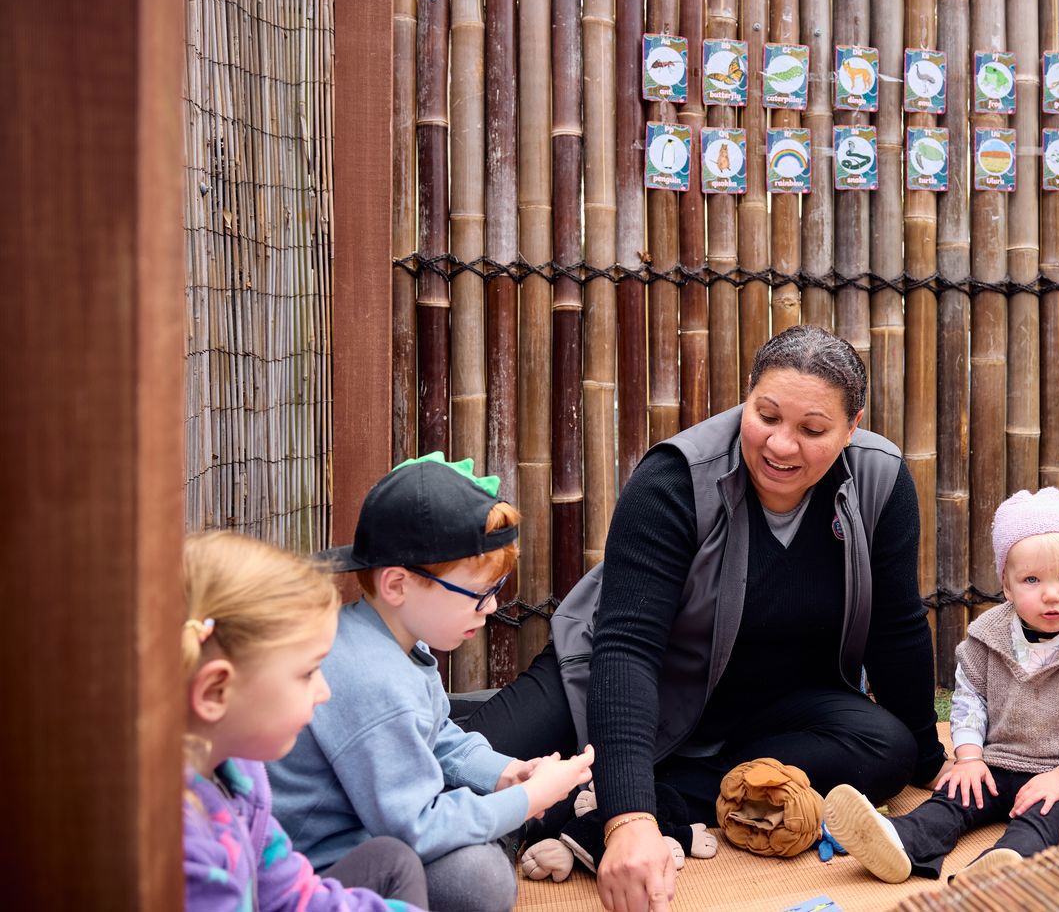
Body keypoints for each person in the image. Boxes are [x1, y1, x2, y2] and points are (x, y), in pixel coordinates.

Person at [463, 324, 944, 912]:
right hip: (614, 677)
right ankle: (622, 793)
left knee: (884, 750)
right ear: (747, 395)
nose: (782, 446)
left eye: (812, 430)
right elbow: (627, 650)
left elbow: (896, 627)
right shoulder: (674, 478)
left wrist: (928, 759)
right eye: (766, 416)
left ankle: (604, 803)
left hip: (767, 708)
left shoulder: (881, 480)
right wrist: (629, 821)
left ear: (852, 427)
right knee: (465, 773)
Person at [267, 456, 595, 912]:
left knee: (485, 835)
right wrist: (526, 799)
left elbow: (440, 735)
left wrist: (505, 773)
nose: (492, 606)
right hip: (320, 871)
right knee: (479, 879)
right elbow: (415, 827)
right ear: (398, 585)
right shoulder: (376, 681)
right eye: (479, 593)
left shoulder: (382, 638)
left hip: (374, 833)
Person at [821, 488, 1059, 883]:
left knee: (1042, 821)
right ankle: (901, 840)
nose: (1051, 593)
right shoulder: (989, 635)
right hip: (1001, 762)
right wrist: (971, 756)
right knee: (954, 798)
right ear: (1006, 586)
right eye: (1031, 579)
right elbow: (969, 699)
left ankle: (1002, 868)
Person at [181, 530, 428, 911]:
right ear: (216, 691)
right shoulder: (179, 845)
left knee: (395, 863)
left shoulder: (240, 775)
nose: (324, 691)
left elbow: (292, 895)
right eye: (308, 673)